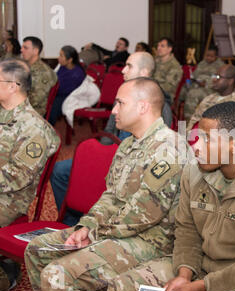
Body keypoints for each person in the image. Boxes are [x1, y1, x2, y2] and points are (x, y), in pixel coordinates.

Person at [105, 101, 235, 291]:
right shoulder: (194, 171)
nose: (196, 147)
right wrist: (185, 275)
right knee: (123, 287)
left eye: (207, 140)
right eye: (197, 137)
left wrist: (201, 287)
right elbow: (186, 229)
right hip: (199, 266)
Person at [25, 77, 189, 291]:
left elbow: (141, 215)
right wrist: (87, 225)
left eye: (120, 103)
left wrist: (93, 234)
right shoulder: (128, 145)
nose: (113, 111)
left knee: (57, 275)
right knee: (37, 250)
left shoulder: (170, 149)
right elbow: (110, 195)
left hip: (153, 243)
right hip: (117, 232)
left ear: (142, 107)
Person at [51, 51, 173, 226]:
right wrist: (102, 154)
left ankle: (98, 222)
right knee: (60, 170)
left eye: (129, 66)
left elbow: (155, 147)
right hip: (113, 154)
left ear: (145, 72)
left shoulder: (158, 105)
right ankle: (72, 220)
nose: (123, 70)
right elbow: (108, 132)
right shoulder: (123, 97)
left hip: (133, 162)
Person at [0, 58, 60, 291]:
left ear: (12, 86)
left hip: (5, 202)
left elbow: (16, 178)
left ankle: (3, 275)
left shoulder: (34, 129)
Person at [186, 64, 235, 131]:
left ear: (230, 81)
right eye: (214, 76)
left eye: (218, 77)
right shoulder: (208, 99)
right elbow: (193, 123)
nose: (214, 79)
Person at [180, 46, 225, 120]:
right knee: (183, 88)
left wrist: (206, 83)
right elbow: (194, 74)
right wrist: (191, 80)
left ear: (216, 56)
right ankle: (176, 114)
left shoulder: (220, 66)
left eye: (211, 56)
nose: (208, 58)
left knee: (192, 94)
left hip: (210, 90)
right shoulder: (202, 63)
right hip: (197, 84)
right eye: (207, 55)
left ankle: (190, 121)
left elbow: (218, 79)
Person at [48, 45, 86, 126]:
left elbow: (64, 90)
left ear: (70, 60)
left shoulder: (77, 73)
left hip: (70, 97)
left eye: (61, 56)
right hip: (58, 93)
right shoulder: (62, 67)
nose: (59, 58)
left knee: (51, 107)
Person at [20, 36, 57, 117]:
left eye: (25, 48)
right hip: (24, 107)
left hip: (33, 113)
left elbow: (35, 100)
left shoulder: (42, 72)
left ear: (36, 51)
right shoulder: (27, 67)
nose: (21, 50)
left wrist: (14, 102)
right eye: (22, 47)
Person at [152, 37, 183, 102]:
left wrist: (149, 87)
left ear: (169, 49)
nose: (158, 48)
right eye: (158, 46)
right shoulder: (155, 61)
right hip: (151, 91)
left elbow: (168, 87)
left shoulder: (174, 66)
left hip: (165, 96)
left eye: (162, 46)